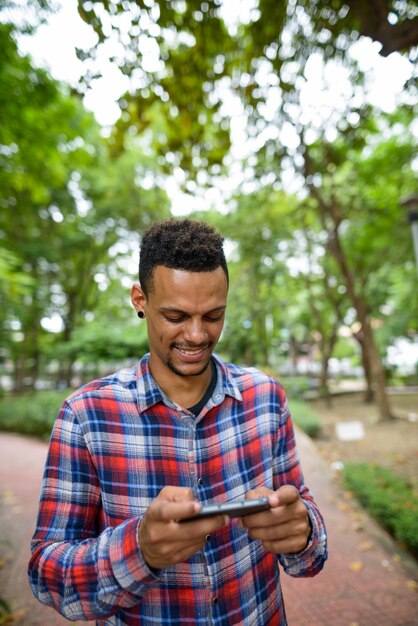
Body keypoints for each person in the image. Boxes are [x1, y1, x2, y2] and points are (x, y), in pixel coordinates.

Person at [29, 218, 327, 625]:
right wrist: (140, 550)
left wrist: (304, 532)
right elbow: (47, 575)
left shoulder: (266, 397)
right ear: (140, 300)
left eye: (214, 315)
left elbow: (305, 537)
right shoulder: (85, 416)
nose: (197, 334)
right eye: (175, 315)